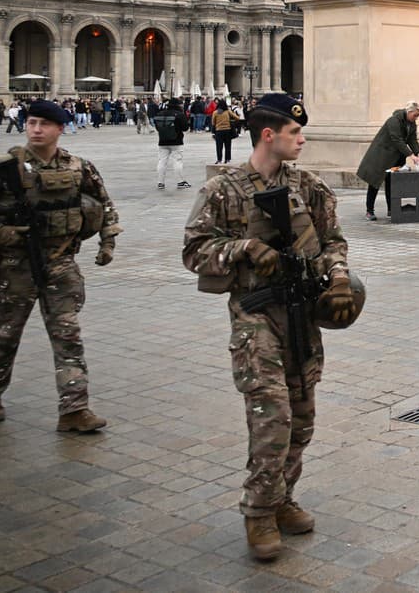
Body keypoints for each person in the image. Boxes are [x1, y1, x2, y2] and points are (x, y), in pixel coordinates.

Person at [182, 93, 355, 561]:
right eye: (295, 133)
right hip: (255, 316)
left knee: (302, 418)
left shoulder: (309, 186)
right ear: (268, 134)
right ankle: (258, 513)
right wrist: (241, 249)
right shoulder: (224, 190)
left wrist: (338, 279)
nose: (301, 139)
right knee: (273, 418)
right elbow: (194, 250)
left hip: (302, 317)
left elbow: (334, 241)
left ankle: (282, 498)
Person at [0, 98, 121, 430]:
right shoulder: (2, 167)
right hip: (14, 266)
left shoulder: (78, 167)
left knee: (68, 336)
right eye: (31, 123)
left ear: (60, 128)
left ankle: (74, 409)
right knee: (5, 336)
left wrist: (108, 241)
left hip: (60, 263)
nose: (35, 129)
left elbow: (104, 204)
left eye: (43, 124)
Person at [357, 101, 419, 220]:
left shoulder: (412, 124)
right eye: (415, 115)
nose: (416, 118)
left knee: (392, 183)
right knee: (374, 182)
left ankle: (392, 209)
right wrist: (411, 155)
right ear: (409, 112)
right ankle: (369, 211)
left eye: (417, 116)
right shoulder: (394, 121)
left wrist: (418, 152)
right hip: (382, 155)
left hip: (396, 158)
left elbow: (412, 140)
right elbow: (396, 140)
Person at [154, 98, 191, 190]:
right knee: (177, 161)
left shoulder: (160, 114)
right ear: (178, 105)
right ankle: (180, 182)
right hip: (176, 141)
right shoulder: (179, 115)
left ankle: (160, 182)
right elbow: (185, 128)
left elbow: (158, 127)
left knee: (162, 161)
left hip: (162, 141)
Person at [212, 99, 236, 164]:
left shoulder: (215, 112)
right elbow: (237, 117)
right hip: (227, 131)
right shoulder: (228, 111)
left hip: (218, 131)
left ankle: (219, 159)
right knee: (228, 146)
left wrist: (213, 131)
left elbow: (213, 123)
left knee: (219, 146)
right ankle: (227, 159)